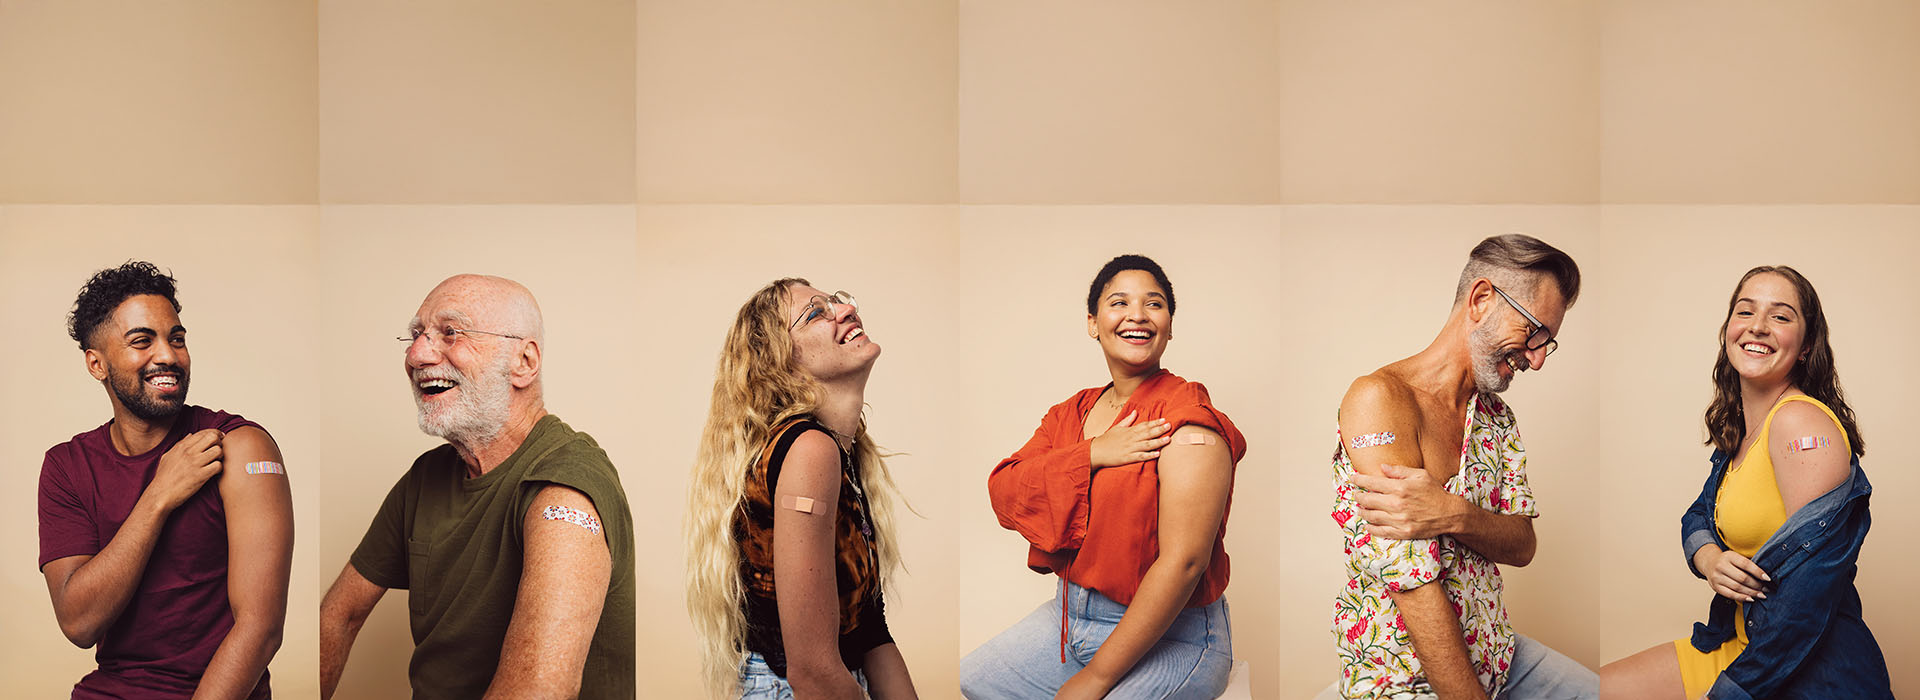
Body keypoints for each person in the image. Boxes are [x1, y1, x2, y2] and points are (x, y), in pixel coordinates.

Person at [318, 274, 636, 699]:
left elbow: (537, 691)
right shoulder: (425, 478)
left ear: (523, 362)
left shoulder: (565, 488)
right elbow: (337, 617)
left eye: (451, 333)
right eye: (416, 335)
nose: (416, 355)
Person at [961, 254, 1245, 700]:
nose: (1137, 315)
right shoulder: (1070, 414)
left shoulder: (1187, 421)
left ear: (1169, 325)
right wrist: (1093, 453)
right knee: (975, 680)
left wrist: (1095, 679)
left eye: (1154, 304)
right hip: (1070, 618)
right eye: (1119, 303)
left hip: (1173, 634)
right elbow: (1006, 489)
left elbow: (1186, 562)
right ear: (1093, 323)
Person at [1599, 266, 1890, 700]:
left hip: (1808, 670)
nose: (1758, 326)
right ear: (1728, 330)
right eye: (1746, 311)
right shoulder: (1742, 431)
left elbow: (1804, 601)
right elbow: (1698, 513)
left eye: (1781, 316)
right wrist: (1710, 557)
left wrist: (1729, 694)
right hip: (1739, 643)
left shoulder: (1797, 423)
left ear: (1807, 346)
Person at [1331, 234, 1596, 699]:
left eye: (1546, 344)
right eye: (1534, 332)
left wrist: (1452, 513)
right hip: (1407, 677)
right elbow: (1411, 582)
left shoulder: (1496, 417)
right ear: (1481, 300)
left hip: (1502, 655)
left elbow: (1522, 544)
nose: (1536, 360)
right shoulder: (1378, 401)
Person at [37, 261, 293, 699]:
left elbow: (261, 629)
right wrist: (158, 496)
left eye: (177, 339)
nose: (168, 356)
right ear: (97, 365)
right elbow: (79, 623)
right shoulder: (66, 466)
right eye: (142, 341)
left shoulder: (240, 447)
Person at [685, 279, 918, 699]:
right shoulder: (810, 450)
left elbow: (870, 633)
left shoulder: (845, 453)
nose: (845, 311)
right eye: (815, 313)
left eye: (836, 302)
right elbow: (811, 672)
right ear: (781, 364)